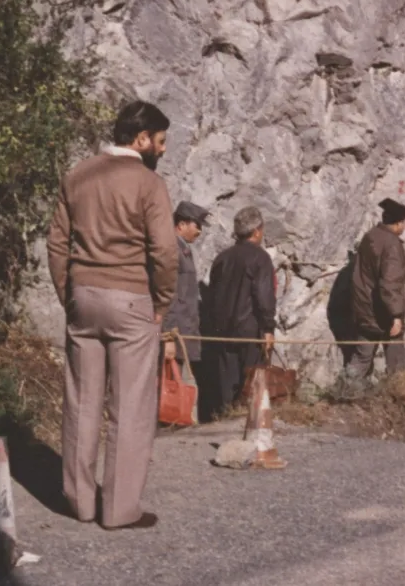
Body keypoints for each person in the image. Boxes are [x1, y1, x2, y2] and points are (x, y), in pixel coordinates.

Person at [46, 101, 177, 530]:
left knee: (82, 402)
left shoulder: (77, 175)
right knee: (130, 406)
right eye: (160, 141)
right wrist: (161, 303)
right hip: (131, 299)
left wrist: (69, 293)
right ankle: (119, 510)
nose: (162, 150)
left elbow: (57, 244)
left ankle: (80, 503)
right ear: (141, 139)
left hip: (83, 296)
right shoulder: (149, 183)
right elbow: (165, 251)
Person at [203, 206, 277, 417]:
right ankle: (247, 419)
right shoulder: (260, 258)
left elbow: (212, 296)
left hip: (222, 330)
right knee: (252, 381)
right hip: (250, 330)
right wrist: (268, 328)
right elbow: (264, 297)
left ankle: (226, 417)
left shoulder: (222, 258)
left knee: (227, 382)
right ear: (257, 231)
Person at [345, 198, 405, 391]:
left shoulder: (371, 236)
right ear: (399, 223)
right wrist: (396, 316)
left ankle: (345, 391)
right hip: (383, 313)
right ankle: (396, 396)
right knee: (395, 360)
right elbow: (388, 283)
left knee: (362, 357)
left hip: (364, 308)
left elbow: (374, 270)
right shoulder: (392, 244)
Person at [161, 201, 211, 370]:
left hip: (181, 333)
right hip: (173, 336)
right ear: (181, 225)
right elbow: (168, 294)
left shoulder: (183, 251)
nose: (199, 231)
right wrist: (168, 336)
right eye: (197, 225)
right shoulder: (173, 250)